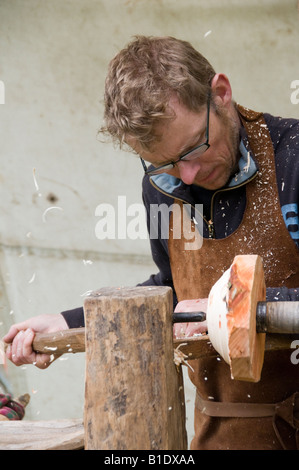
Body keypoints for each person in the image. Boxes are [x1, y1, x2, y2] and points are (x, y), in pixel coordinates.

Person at [3, 36, 299, 450]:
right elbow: (175, 293)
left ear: (221, 93)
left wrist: (247, 308)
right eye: (166, 163)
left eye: (196, 147)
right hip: (220, 436)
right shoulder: (162, 187)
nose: (189, 175)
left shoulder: (294, 159)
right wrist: (70, 321)